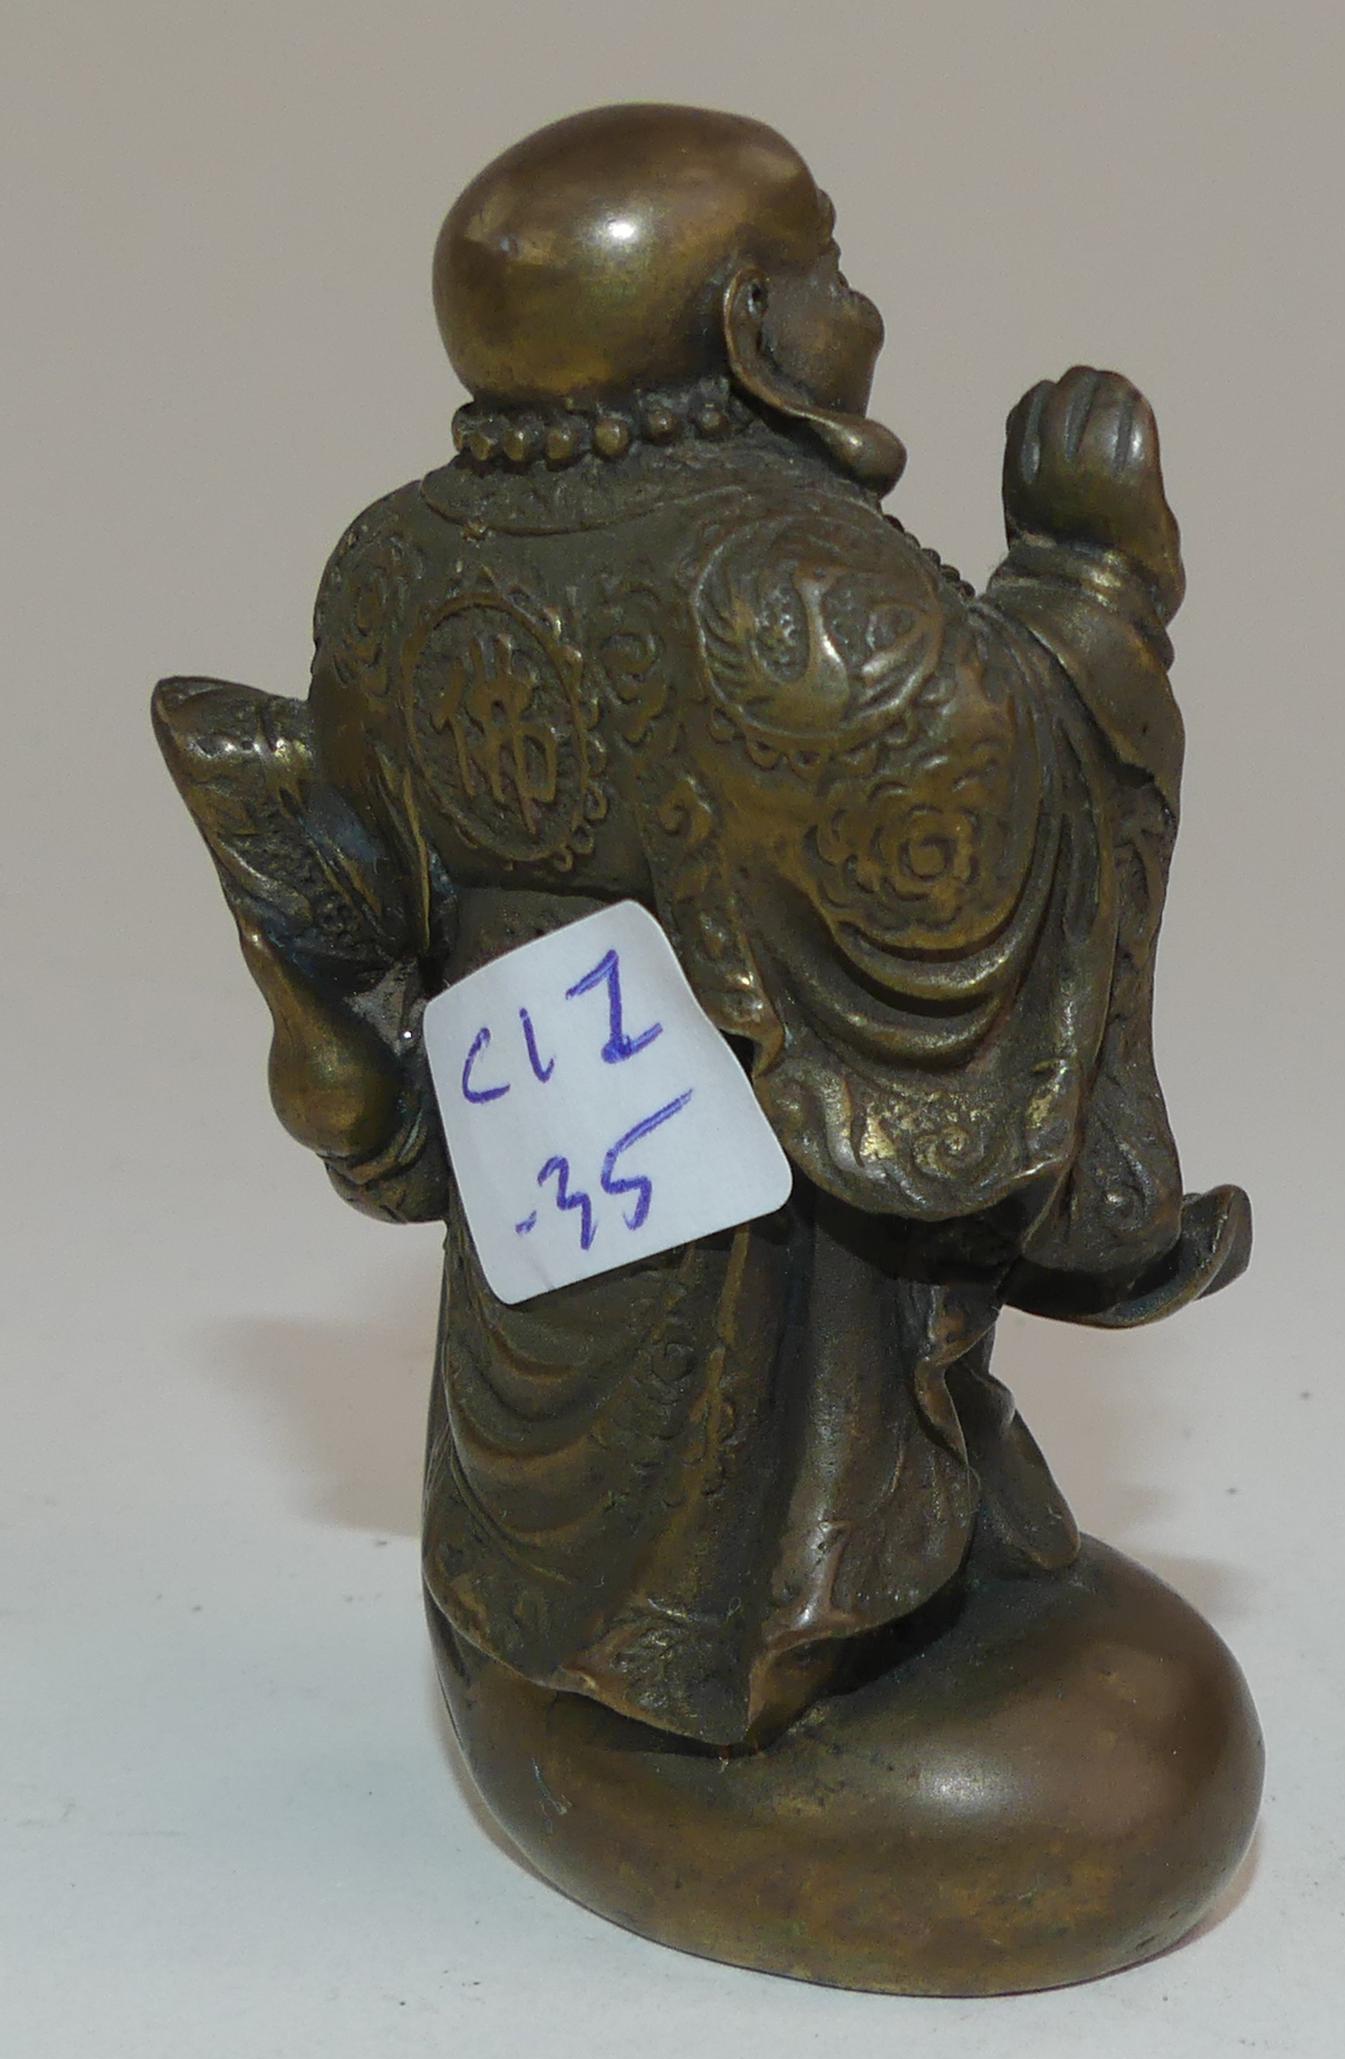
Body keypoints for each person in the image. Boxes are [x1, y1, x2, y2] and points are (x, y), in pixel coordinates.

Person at [154, 103, 1249, 1750]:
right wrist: (1092, 579)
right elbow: (983, 802)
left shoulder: (390, 566)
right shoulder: (784, 582)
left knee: (570, 1376)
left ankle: (552, 1615)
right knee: (778, 1394)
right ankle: (784, 1643)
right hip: (739, 1189)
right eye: (830, 269)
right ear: (754, 326)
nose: (860, 310)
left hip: (550, 1182)